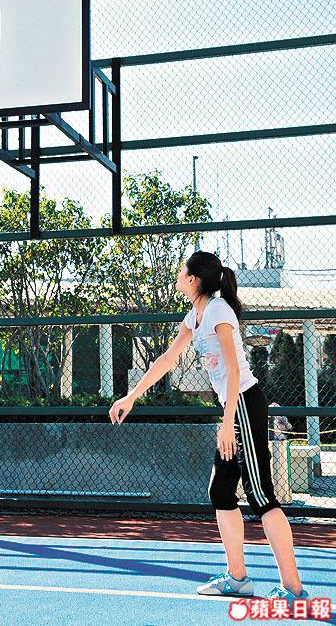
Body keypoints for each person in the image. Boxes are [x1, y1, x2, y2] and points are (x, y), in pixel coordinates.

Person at [108, 250, 308, 609]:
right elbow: (167, 359)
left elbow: (234, 369)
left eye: (181, 271)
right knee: (221, 492)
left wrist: (228, 423)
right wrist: (131, 396)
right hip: (234, 407)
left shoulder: (217, 310)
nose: (177, 275)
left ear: (193, 279)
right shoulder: (195, 316)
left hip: (243, 404)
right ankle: (238, 578)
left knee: (261, 496)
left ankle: (293, 590)